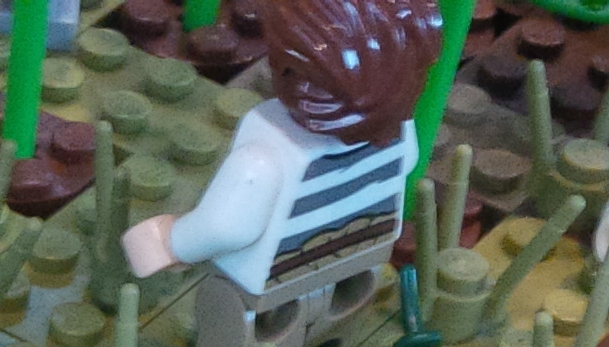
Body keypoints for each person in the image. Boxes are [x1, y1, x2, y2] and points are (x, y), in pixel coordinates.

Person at [118, 0, 442, 293]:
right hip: (357, 269)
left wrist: (170, 243)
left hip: (275, 291)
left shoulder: (267, 155)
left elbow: (225, 227)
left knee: (230, 324)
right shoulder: (398, 133)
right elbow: (408, 163)